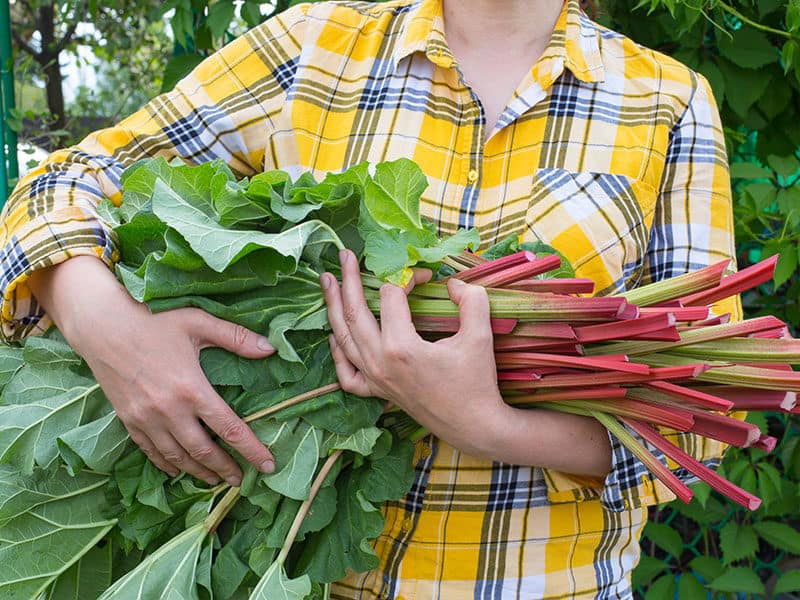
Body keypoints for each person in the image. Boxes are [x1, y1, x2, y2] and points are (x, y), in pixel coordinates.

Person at [0, 0, 741, 597]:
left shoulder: (667, 101)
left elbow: (703, 422)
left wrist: (488, 426)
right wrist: (111, 330)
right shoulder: (311, 49)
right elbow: (65, 181)